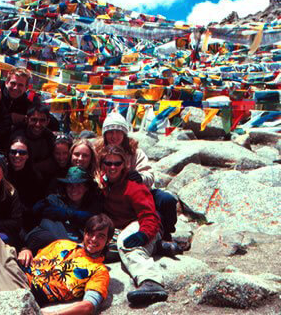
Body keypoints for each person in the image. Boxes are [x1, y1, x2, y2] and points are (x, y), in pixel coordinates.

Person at [95, 111, 181, 255]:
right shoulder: (98, 152)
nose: (114, 136)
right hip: (112, 190)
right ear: (104, 134)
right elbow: (95, 174)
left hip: (139, 191)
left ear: (124, 134)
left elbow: (149, 174)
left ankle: (165, 235)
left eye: (118, 131)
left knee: (166, 201)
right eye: (110, 132)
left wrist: (140, 177)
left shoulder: (135, 152)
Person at [98, 145, 168, 305]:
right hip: (121, 226)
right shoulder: (104, 183)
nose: (112, 167)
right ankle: (158, 246)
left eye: (117, 163)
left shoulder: (134, 186)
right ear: (103, 165)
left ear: (124, 165)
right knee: (102, 247)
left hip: (143, 225)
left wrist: (144, 234)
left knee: (126, 243)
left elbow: (149, 216)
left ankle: (151, 281)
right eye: (108, 163)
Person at [27, 166, 103, 252]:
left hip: (82, 247)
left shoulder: (93, 204)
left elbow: (93, 219)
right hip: (56, 246)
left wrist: (67, 214)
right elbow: (37, 210)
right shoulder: (55, 200)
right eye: (70, 185)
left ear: (86, 187)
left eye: (78, 185)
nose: (73, 189)